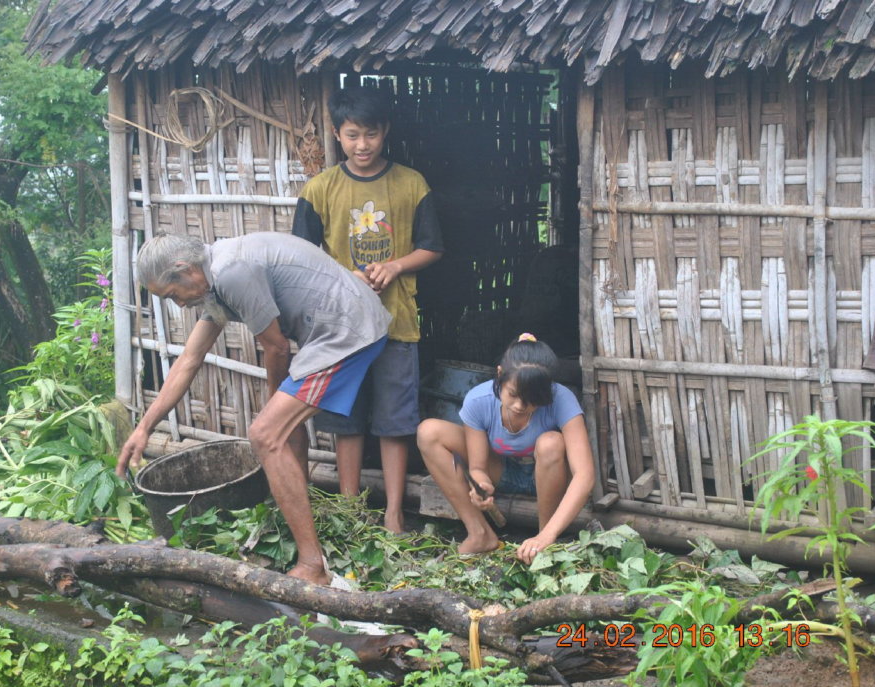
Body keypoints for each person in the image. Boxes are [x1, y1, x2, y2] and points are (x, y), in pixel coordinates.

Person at [116, 232, 392, 586]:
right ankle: (303, 517)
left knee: (265, 433)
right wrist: (144, 428)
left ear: (184, 270)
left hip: (346, 330)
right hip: (331, 332)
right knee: (278, 427)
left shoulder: (232, 271)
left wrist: (274, 404)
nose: (179, 306)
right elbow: (189, 359)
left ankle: (313, 566)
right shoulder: (213, 283)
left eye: (173, 295)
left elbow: (276, 348)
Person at [292, 85, 444, 533]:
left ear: (386, 133)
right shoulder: (320, 189)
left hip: (396, 322)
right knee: (346, 419)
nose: (363, 145)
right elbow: (302, 259)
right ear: (337, 134)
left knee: (395, 422)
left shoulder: (411, 184)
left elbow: (432, 248)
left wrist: (395, 266)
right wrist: (346, 278)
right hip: (340, 329)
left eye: (372, 135)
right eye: (353, 135)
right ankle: (350, 509)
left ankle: (395, 514)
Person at [416, 334, 595, 565]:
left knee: (551, 442)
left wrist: (546, 536)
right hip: (503, 470)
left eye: (532, 399)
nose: (520, 406)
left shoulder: (562, 398)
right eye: (513, 394)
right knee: (428, 431)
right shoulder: (478, 400)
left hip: (550, 475)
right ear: (500, 374)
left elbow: (585, 475)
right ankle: (479, 534)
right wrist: (481, 485)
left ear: (547, 389)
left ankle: (543, 541)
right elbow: (478, 467)